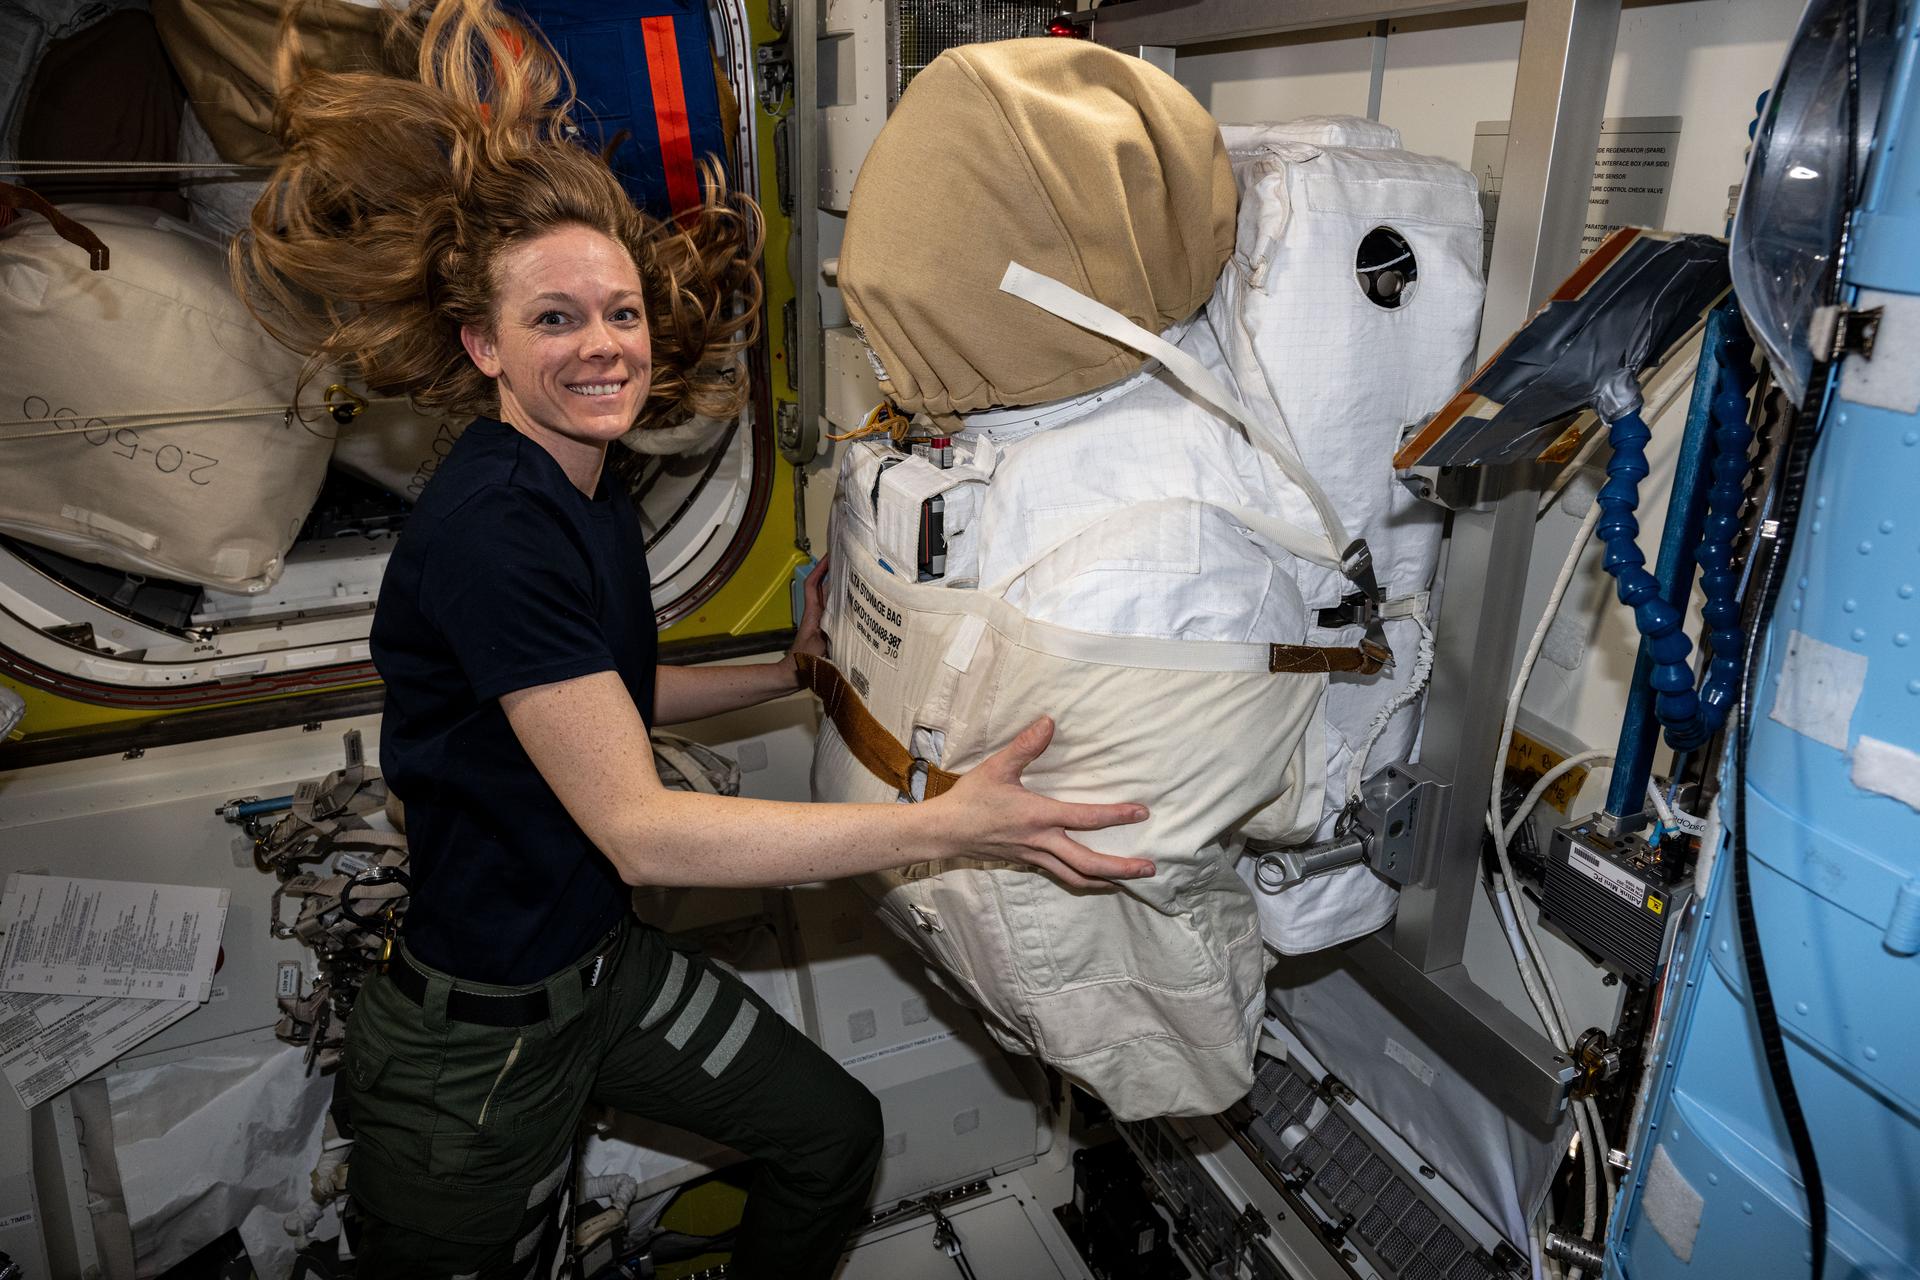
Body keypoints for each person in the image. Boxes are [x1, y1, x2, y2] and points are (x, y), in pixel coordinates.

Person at [233, 3, 1155, 1277]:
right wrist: (952, 823)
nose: (602, 343)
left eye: (618, 313)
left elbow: (605, 697)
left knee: (829, 1137)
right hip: (475, 1041)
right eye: (554, 320)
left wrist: (789, 667)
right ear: (481, 345)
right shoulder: (496, 527)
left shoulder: (579, 481)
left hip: (597, 972)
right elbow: (641, 824)